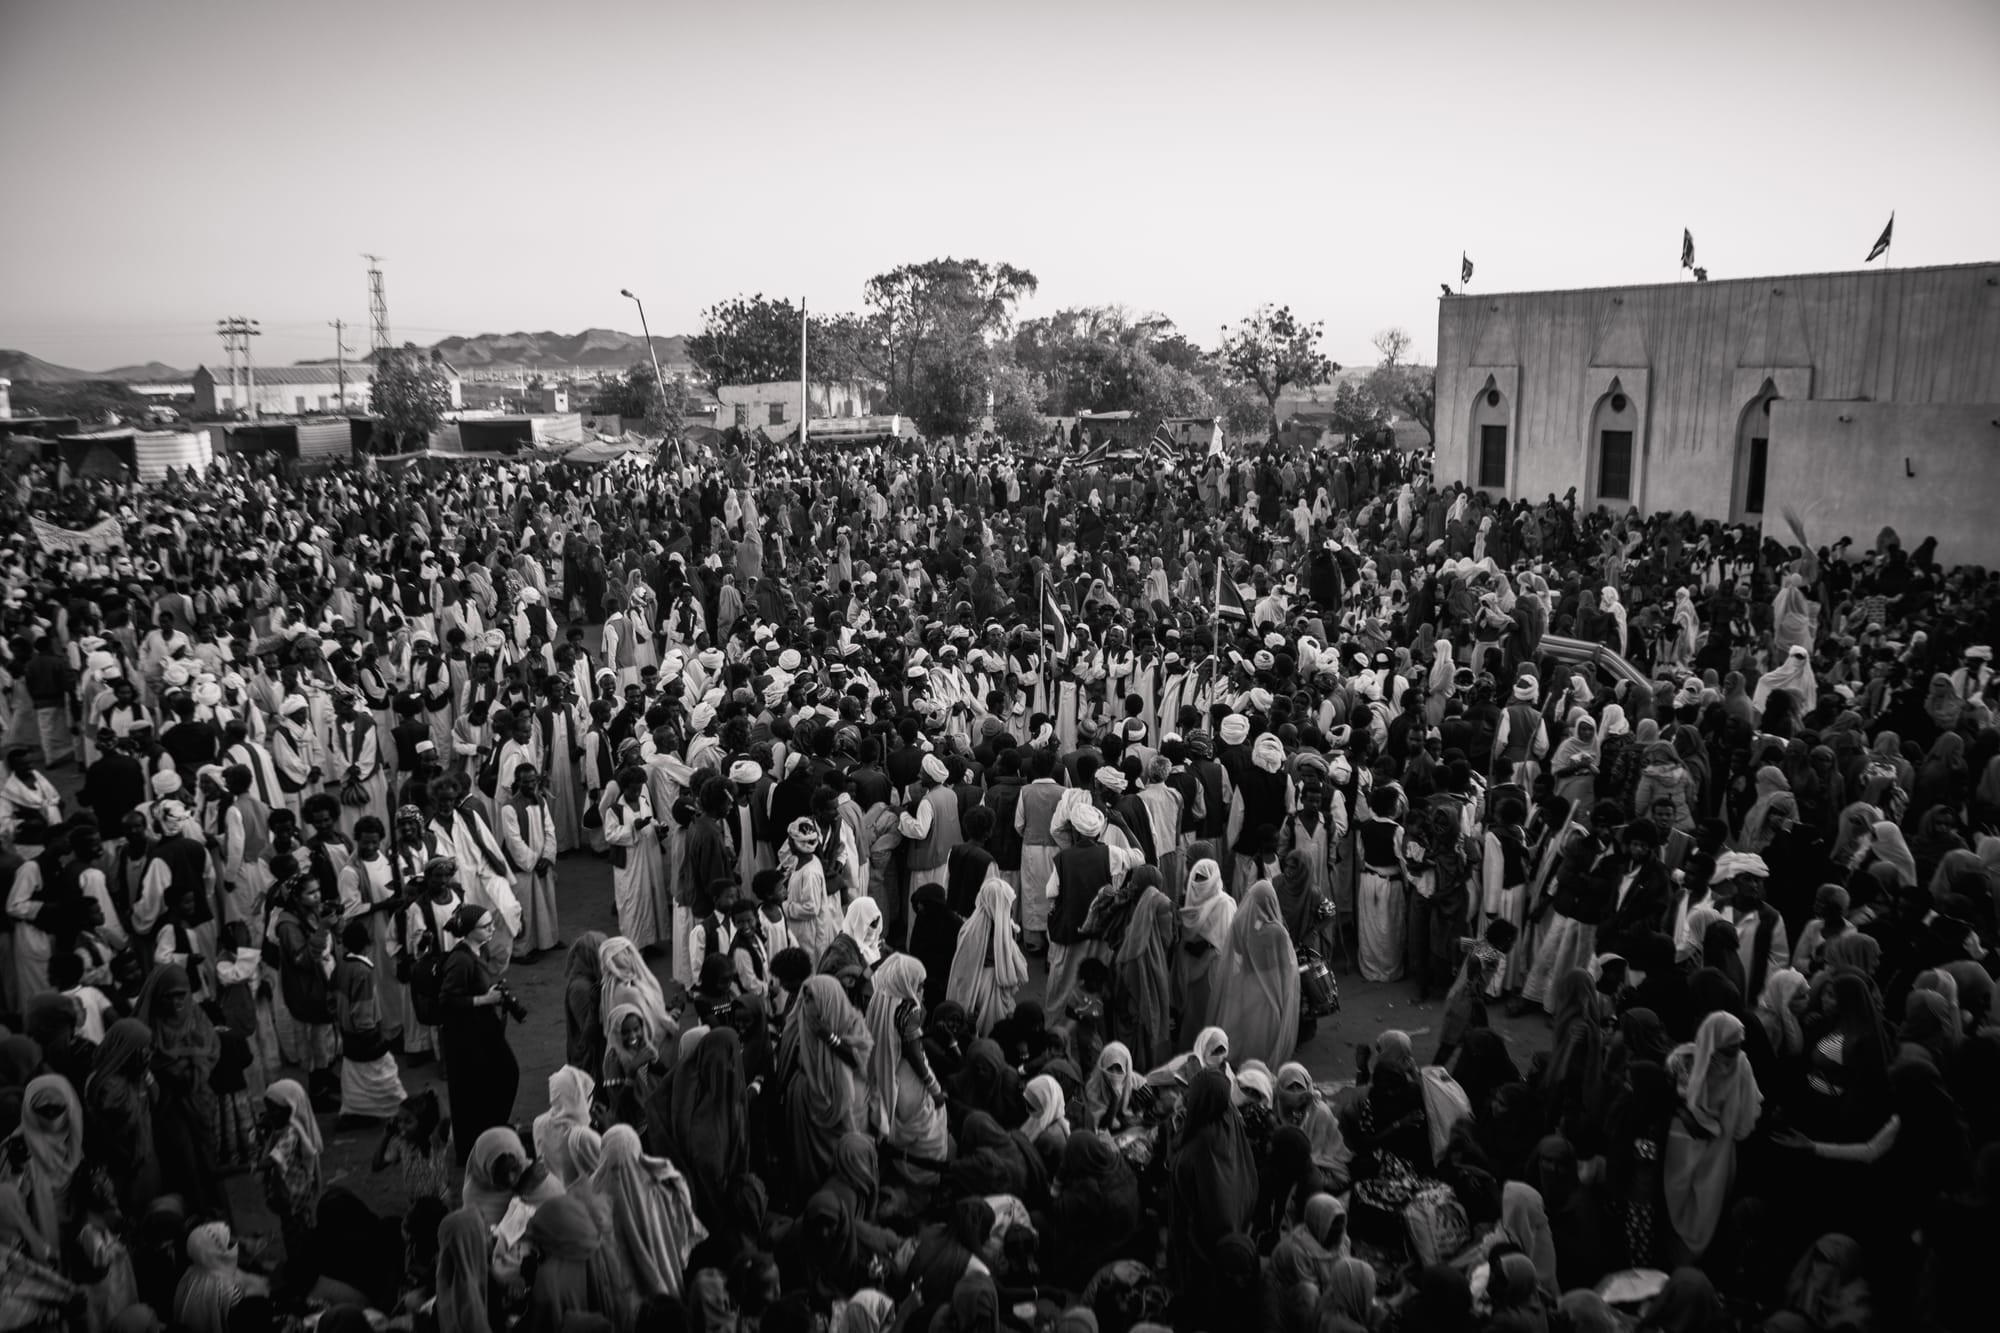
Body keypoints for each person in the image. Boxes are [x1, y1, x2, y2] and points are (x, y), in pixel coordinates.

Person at [437, 905, 521, 1161]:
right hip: (466, 1035)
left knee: (499, 1077)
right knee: (476, 1088)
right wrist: (484, 999)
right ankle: (478, 1142)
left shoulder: (478, 950)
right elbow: (447, 1000)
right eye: (486, 927)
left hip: (482, 1029)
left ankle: (491, 1130)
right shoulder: (460, 960)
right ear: (469, 932)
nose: (492, 929)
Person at [1212, 880, 1301, 1068]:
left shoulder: (1241, 925)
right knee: (1263, 1038)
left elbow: (1235, 949)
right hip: (1269, 993)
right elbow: (1287, 967)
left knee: (1245, 1034)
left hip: (1245, 985)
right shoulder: (1277, 932)